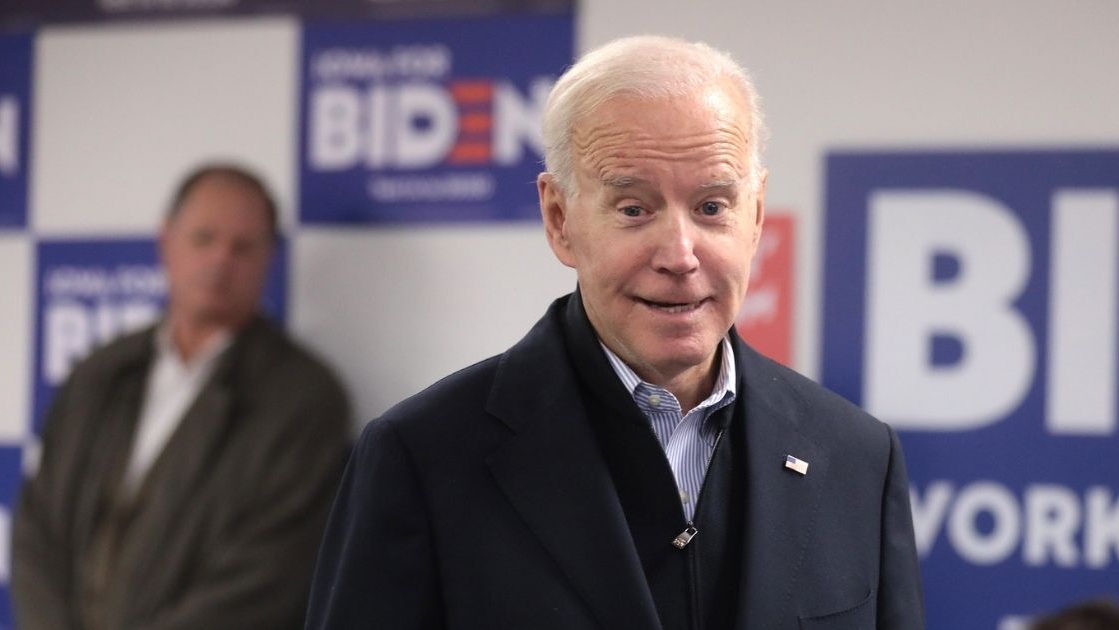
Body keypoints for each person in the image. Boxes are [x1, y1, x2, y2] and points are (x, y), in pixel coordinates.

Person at [305, 35, 924, 630]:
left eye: (712, 207)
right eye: (634, 209)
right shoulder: (424, 455)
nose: (680, 254)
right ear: (559, 219)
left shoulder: (857, 458)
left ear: (755, 216)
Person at [12, 164, 350, 630]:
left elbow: (270, 576)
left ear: (268, 259)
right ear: (166, 241)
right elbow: (37, 529)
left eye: (243, 247)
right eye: (204, 238)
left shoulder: (305, 399)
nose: (220, 261)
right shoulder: (100, 373)